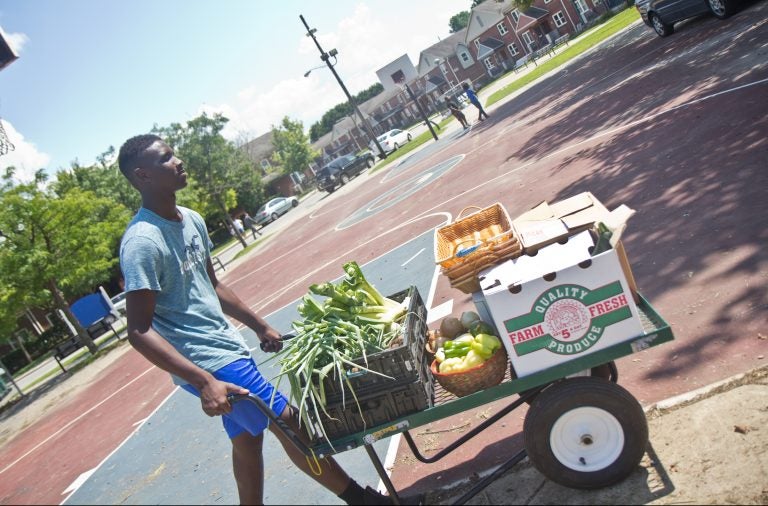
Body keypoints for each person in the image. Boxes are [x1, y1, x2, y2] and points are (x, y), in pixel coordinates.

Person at [116, 134, 392, 506]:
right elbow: (138, 330)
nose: (178, 161)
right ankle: (363, 501)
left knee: (248, 440)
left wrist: (259, 324)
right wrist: (204, 381)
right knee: (289, 422)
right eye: (166, 158)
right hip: (208, 363)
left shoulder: (192, 220)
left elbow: (212, 285)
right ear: (143, 176)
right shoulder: (142, 242)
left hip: (228, 346)